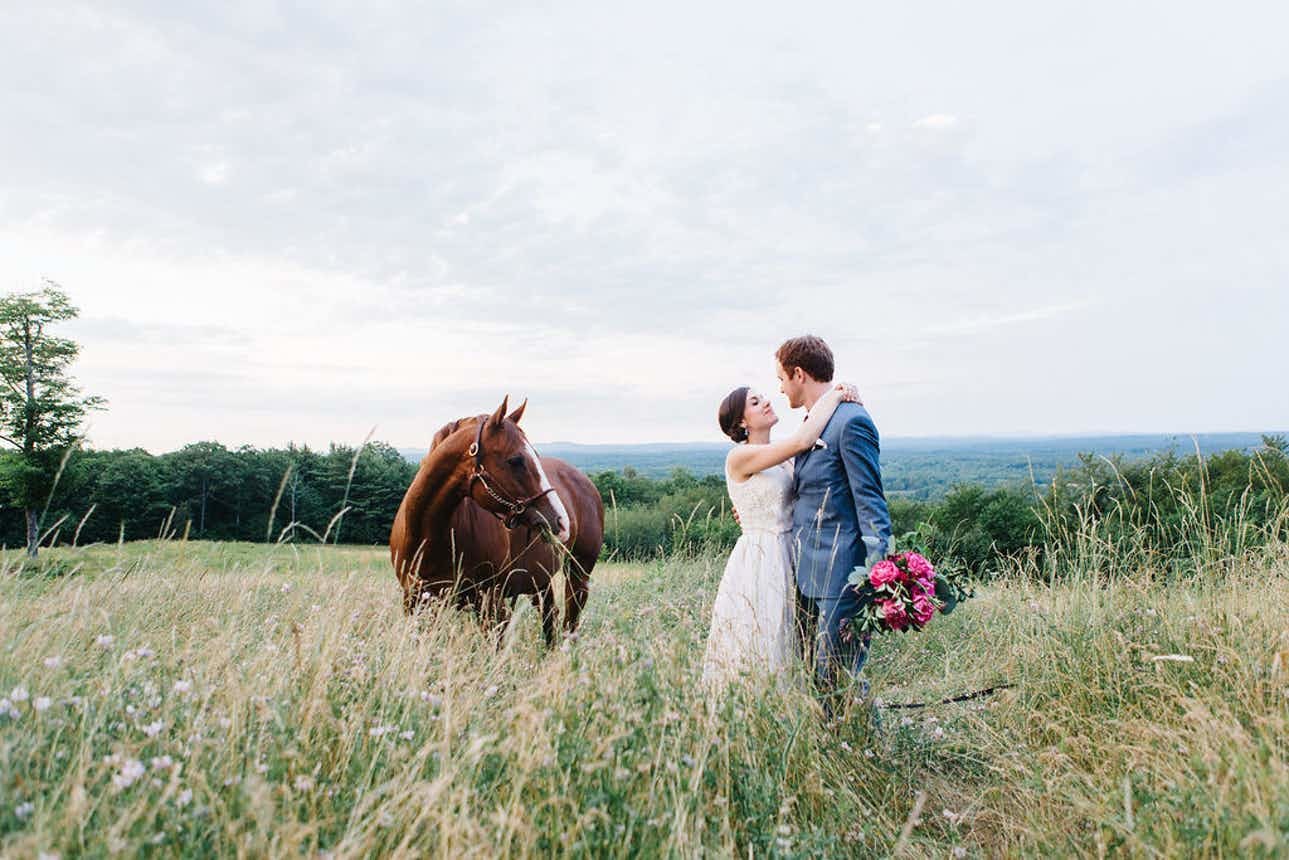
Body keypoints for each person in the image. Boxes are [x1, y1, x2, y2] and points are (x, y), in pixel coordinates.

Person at [701, 378, 860, 689]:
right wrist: (836, 394)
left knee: (794, 637)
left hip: (792, 551)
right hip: (761, 559)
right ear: (742, 422)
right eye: (756, 402)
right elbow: (804, 440)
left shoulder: (781, 456)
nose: (767, 402)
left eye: (764, 397)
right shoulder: (739, 456)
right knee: (764, 635)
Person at [777, 335, 892, 712]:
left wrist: (878, 575)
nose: (780, 389)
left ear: (798, 374)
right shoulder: (815, 421)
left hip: (843, 576)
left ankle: (861, 750)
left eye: (782, 379)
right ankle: (830, 752)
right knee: (813, 675)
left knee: (837, 677)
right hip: (805, 572)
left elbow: (871, 502)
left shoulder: (852, 421)